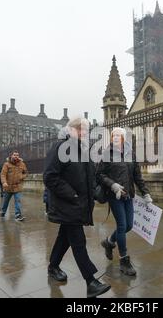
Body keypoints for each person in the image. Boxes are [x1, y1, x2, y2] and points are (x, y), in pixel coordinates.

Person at [44, 117, 111, 298]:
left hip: (79, 204)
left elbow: (90, 177)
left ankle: (53, 266)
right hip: (68, 203)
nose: (86, 133)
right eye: (83, 129)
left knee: (65, 238)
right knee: (78, 241)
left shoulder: (82, 150)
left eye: (87, 130)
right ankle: (91, 281)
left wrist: (98, 192)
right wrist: (72, 194)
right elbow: (50, 177)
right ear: (72, 129)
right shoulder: (60, 147)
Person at [97, 127, 153, 277]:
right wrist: (112, 185)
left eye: (119, 136)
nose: (116, 138)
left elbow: (137, 176)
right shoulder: (107, 154)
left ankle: (109, 241)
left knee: (129, 225)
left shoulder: (131, 154)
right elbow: (99, 174)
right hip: (115, 195)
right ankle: (124, 260)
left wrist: (146, 193)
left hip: (129, 195)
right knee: (122, 225)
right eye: (113, 136)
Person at [0, 151, 28, 221]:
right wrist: (4, 182)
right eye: (14, 155)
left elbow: (26, 173)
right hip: (8, 187)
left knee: (17, 201)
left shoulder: (22, 164)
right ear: (11, 156)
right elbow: (3, 174)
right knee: (6, 202)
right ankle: (3, 212)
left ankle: (17, 215)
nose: (16, 156)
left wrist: (22, 176)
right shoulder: (6, 164)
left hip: (17, 186)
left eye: (17, 155)